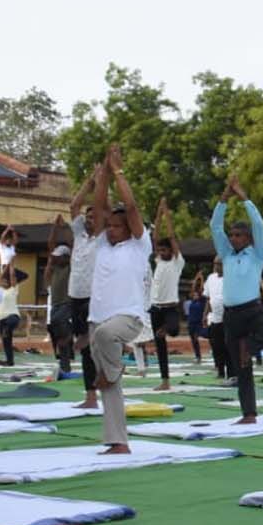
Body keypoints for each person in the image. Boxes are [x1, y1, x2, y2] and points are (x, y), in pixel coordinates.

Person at [87, 144, 151, 454]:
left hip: (127, 317)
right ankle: (118, 441)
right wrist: (101, 178)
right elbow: (99, 208)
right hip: (97, 316)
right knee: (110, 389)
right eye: (109, 226)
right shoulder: (102, 246)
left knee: (105, 340)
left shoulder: (140, 245)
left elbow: (132, 206)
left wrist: (118, 173)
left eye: (116, 226)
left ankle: (113, 368)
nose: (111, 230)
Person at [211, 173, 263, 424]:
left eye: (239, 235)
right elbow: (215, 227)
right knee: (241, 368)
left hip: (252, 312)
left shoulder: (257, 254)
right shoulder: (226, 254)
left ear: (247, 239)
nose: (234, 238)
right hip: (231, 316)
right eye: (232, 235)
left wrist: (245, 198)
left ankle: (251, 347)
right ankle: (249, 414)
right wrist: (224, 198)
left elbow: (259, 226)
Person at [68, 166, 103, 408]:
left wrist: (102, 183)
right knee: (85, 350)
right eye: (87, 217)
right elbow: (74, 206)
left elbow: (104, 208)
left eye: (94, 217)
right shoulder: (79, 235)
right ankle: (90, 396)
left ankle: (93, 395)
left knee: (90, 347)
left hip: (94, 296)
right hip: (75, 294)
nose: (90, 220)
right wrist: (89, 181)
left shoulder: (103, 237)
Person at [142, 197, 186, 391]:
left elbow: (171, 236)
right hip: (156, 308)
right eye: (159, 250)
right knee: (160, 346)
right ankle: (165, 380)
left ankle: (166, 329)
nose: (161, 252)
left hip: (170, 308)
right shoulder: (159, 261)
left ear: (171, 251)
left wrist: (166, 212)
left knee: (174, 330)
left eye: (164, 249)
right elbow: (155, 236)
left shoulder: (177, 262)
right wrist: (157, 214)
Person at [43, 217, 74, 375]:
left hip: (66, 303)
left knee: (62, 336)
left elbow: (73, 244)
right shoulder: (54, 266)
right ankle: (65, 365)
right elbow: (50, 246)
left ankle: (71, 338)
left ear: (66, 257)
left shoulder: (70, 266)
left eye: (58, 256)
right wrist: (55, 228)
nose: (54, 258)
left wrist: (67, 227)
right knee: (59, 337)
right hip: (56, 305)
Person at [0, 266, 27, 366]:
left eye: (6, 281)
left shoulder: (13, 289)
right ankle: (9, 361)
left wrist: (10, 263)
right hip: (1, 319)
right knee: (6, 342)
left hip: (12, 317)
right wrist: (6, 268)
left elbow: (12, 276)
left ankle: (7, 330)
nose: (4, 282)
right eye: (3, 281)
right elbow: (1, 278)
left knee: (8, 326)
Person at [204, 260, 228, 379]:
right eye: (215, 264)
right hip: (214, 318)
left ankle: (231, 372)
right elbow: (208, 299)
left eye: (220, 264)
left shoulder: (230, 277)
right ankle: (220, 371)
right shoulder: (211, 278)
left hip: (228, 318)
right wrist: (204, 315)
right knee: (216, 346)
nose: (217, 266)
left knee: (227, 346)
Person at [185, 282, 206, 363]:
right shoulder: (192, 302)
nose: (195, 296)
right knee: (194, 340)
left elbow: (201, 291)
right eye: (194, 295)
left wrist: (199, 280)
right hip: (191, 324)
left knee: (207, 335)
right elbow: (192, 291)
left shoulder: (202, 302)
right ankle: (198, 356)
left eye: (196, 295)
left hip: (199, 324)